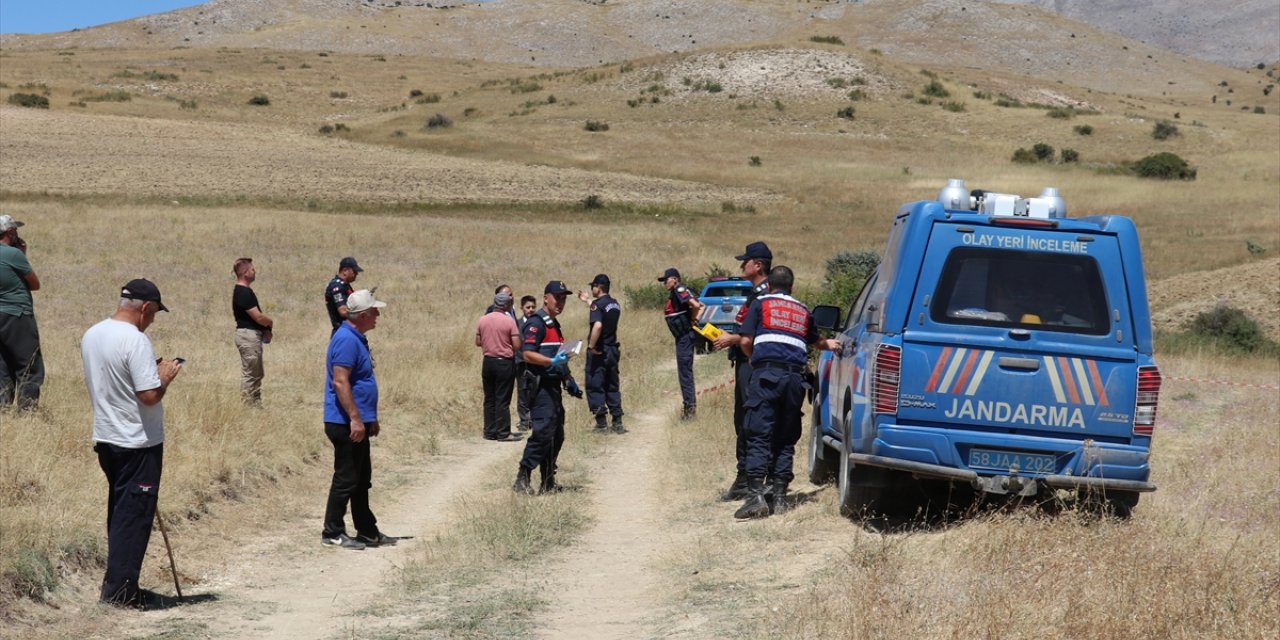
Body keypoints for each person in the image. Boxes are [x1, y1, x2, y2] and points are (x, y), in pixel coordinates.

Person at [82, 279, 183, 607]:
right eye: (153, 314)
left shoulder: (93, 333)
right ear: (145, 308)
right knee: (134, 516)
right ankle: (121, 594)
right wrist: (164, 376)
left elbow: (117, 380)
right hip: (137, 442)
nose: (153, 320)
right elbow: (149, 395)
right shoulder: (136, 340)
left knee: (120, 511)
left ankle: (117, 585)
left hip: (107, 437)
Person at [734, 266, 840, 519]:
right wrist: (834, 345)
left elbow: (746, 341)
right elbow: (817, 342)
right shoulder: (802, 309)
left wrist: (753, 361)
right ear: (792, 287)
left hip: (767, 376)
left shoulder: (760, 304)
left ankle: (755, 496)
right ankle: (780, 496)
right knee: (785, 436)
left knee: (759, 433)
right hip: (795, 379)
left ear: (769, 285)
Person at [322, 289, 393, 550]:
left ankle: (367, 531)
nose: (377, 315)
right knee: (346, 478)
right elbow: (340, 381)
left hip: (357, 420)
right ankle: (332, 531)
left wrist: (369, 418)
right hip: (343, 422)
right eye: (374, 311)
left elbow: (360, 381)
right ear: (362, 315)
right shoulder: (346, 340)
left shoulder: (356, 337)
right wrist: (354, 418)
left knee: (361, 479)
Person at [711, 242, 772, 501]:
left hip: (753, 364)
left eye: (744, 262)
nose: (740, 266)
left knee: (750, 420)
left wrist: (732, 339)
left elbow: (763, 333)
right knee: (743, 419)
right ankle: (746, 476)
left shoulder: (765, 294)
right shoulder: (756, 292)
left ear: (757, 265)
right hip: (745, 362)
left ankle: (750, 479)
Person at [513, 280, 581, 495]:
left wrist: (568, 378)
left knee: (557, 435)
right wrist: (551, 363)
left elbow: (559, 354)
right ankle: (522, 478)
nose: (561, 302)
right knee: (542, 433)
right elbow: (527, 354)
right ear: (546, 298)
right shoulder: (536, 323)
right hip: (539, 386)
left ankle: (548, 480)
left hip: (553, 387)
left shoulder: (554, 324)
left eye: (564, 298)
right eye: (557, 297)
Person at [0, 214, 43, 411]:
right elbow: (35, 284)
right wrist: (22, 254)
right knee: (29, 366)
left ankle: (3, 408)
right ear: (9, 232)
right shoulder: (13, 254)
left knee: (3, 366)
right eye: (15, 230)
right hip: (16, 314)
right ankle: (27, 411)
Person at [578, 274, 624, 433]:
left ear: (599, 287)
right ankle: (617, 421)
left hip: (599, 351)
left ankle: (601, 423)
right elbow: (600, 309)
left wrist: (591, 347)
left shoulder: (597, 306)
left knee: (595, 384)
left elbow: (597, 325)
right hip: (612, 349)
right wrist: (587, 301)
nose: (592, 289)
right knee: (612, 384)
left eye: (593, 286)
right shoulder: (615, 304)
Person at [475, 291, 522, 442]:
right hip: (504, 362)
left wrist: (491, 343)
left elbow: (477, 342)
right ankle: (503, 432)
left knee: (489, 398)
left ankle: (489, 431)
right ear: (507, 305)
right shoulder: (509, 321)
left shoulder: (483, 319)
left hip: (488, 361)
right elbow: (516, 345)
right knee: (502, 398)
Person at [659, 267, 704, 419]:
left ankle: (689, 411)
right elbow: (701, 305)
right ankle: (689, 407)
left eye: (666, 279)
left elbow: (698, 306)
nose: (664, 283)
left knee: (685, 374)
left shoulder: (679, 289)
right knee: (684, 373)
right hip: (682, 337)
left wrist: (694, 320)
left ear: (675, 279)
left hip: (685, 336)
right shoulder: (675, 294)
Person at [232, 258, 273, 405]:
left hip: (251, 336)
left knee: (257, 372)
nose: (255, 272)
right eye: (252, 269)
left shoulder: (245, 291)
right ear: (245, 273)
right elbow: (258, 317)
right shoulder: (242, 292)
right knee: (250, 373)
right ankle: (248, 405)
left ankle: (255, 403)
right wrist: (270, 323)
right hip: (248, 336)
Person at [515, 294, 538, 432]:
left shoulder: (538, 323)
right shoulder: (517, 324)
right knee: (522, 391)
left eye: (533, 307)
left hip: (535, 362)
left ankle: (535, 419)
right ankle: (524, 420)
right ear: (522, 308)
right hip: (521, 362)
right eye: (527, 307)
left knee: (534, 390)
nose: (530, 310)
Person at [325, 257, 362, 333]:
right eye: (354, 271)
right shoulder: (337, 287)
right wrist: (361, 313)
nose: (357, 274)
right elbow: (343, 311)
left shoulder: (344, 285)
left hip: (348, 330)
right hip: (343, 331)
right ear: (345, 270)